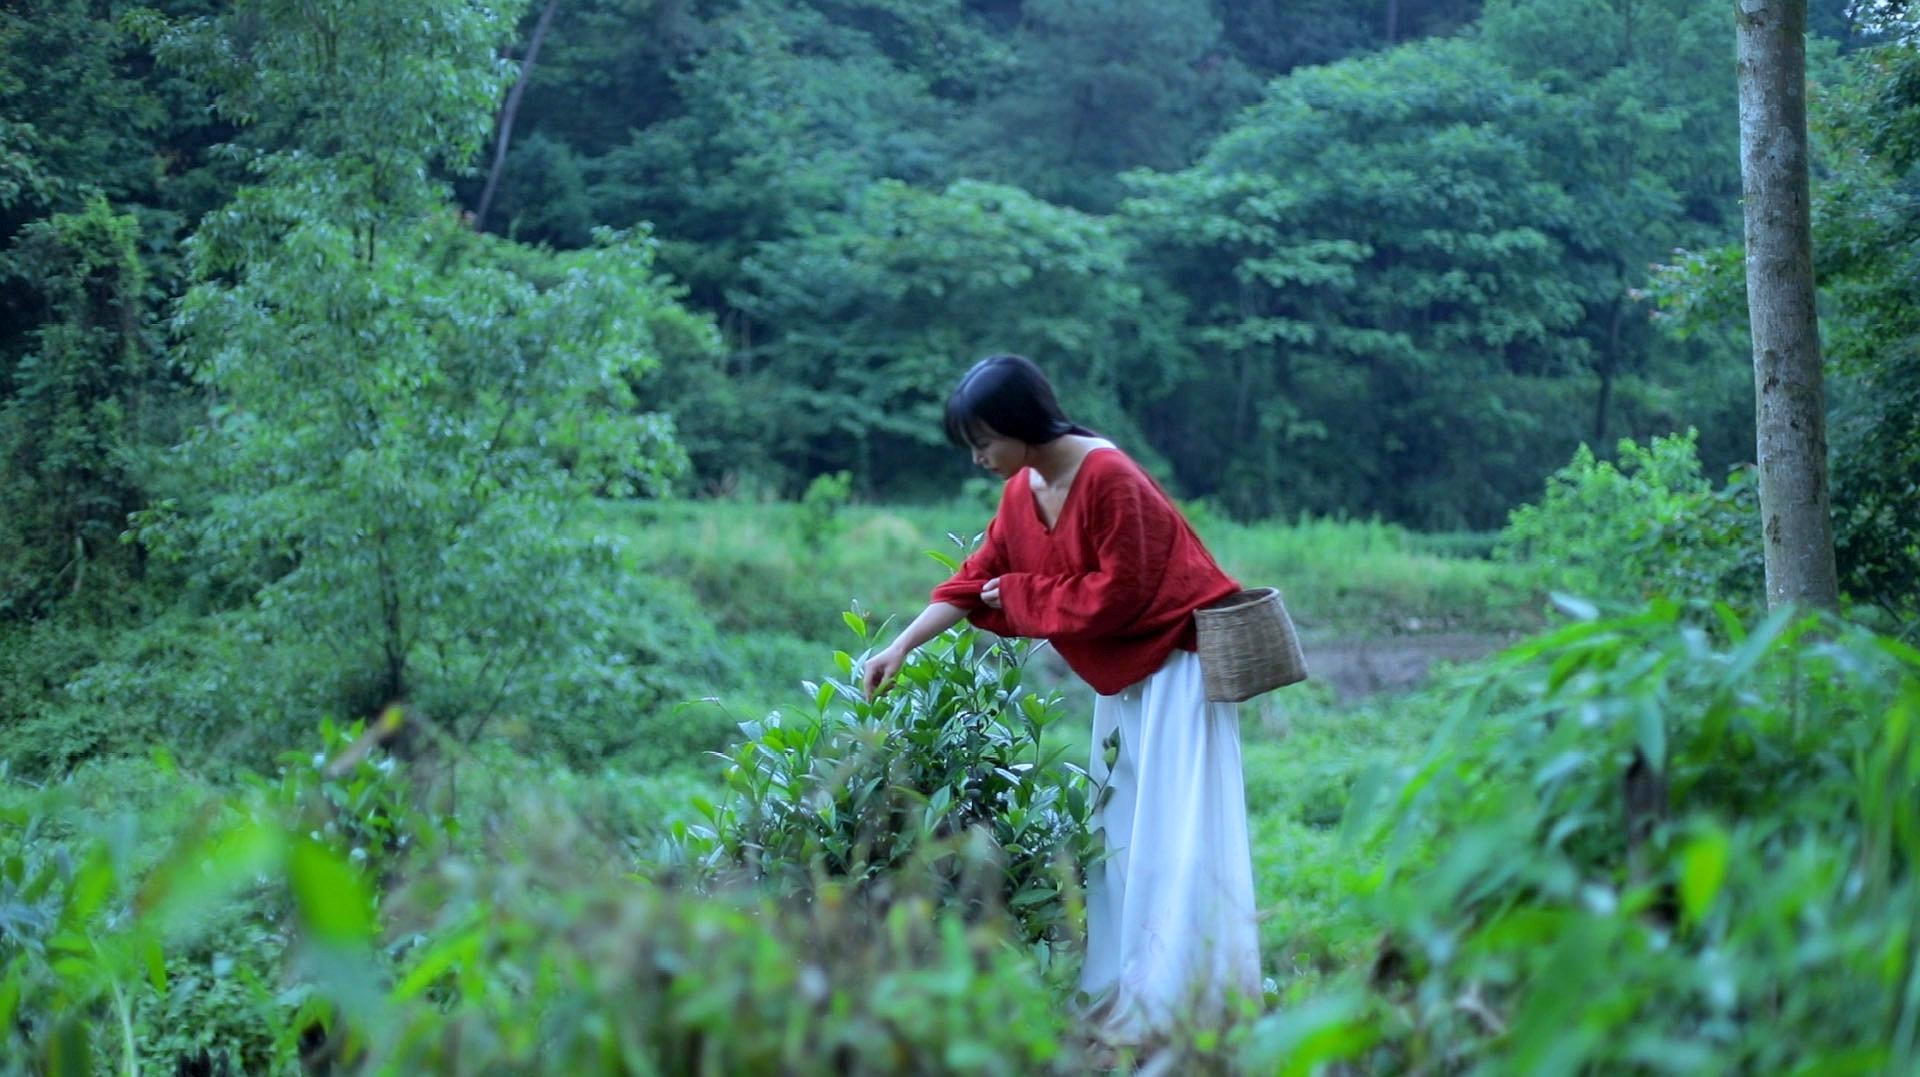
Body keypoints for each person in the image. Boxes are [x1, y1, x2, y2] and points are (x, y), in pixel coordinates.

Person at [861, 354, 1262, 1042]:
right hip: (1125, 676)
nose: (979, 459)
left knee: (1175, 831)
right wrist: (902, 645)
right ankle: (1125, 986)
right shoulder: (1024, 491)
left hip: (1178, 665)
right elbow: (977, 576)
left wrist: (1021, 595)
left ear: (1021, 425)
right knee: (1121, 833)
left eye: (984, 443)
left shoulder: (1109, 476)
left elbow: (1121, 593)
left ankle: (1184, 1000)